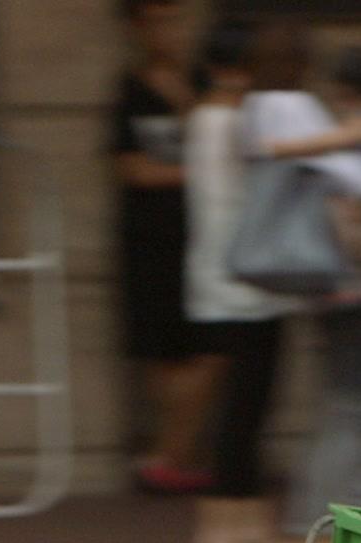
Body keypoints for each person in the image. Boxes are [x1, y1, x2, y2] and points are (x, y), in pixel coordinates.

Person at [237, 24, 361, 543]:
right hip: (348, 282)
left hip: (326, 284)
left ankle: (315, 513)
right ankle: (331, 515)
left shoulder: (281, 112)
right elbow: (347, 205)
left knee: (338, 401)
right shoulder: (348, 127)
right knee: (351, 402)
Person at [183, 18, 296, 543]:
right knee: (240, 411)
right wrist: (359, 131)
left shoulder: (221, 118)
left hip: (248, 281)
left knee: (254, 409)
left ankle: (251, 526)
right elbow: (285, 152)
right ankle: (217, 530)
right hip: (235, 285)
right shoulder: (222, 119)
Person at [113, 0, 212, 495]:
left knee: (209, 350)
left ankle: (169, 455)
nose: (170, 31)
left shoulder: (198, 81)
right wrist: (195, 174)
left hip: (201, 238)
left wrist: (185, 102)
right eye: (159, 21)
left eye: (176, 19)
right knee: (160, 353)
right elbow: (132, 169)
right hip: (150, 239)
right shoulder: (129, 89)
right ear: (137, 27)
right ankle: (170, 456)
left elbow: (220, 139)